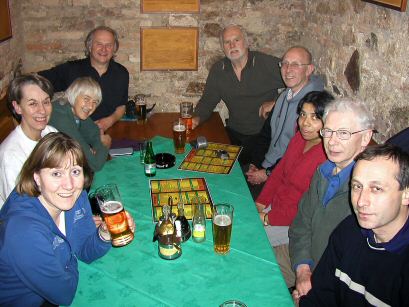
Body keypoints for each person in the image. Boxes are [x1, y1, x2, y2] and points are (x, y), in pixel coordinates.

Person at [0, 132, 135, 306]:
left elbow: (86, 251)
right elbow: (64, 293)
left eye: (75, 171)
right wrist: (70, 255)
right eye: (56, 174)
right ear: (36, 177)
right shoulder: (23, 232)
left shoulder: (75, 197)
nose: (69, 185)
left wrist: (104, 234)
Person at [297, 144, 409, 306]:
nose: (361, 201)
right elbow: (320, 296)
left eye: (376, 188)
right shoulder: (349, 230)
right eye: (357, 186)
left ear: (406, 194)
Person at [288, 98, 374, 296]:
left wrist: (315, 284)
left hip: (331, 282)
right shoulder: (323, 172)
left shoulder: (365, 194)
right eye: (328, 132)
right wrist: (302, 269)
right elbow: (301, 224)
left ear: (365, 137)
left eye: (343, 133)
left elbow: (356, 265)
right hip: (304, 260)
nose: (332, 141)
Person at [255, 91, 333, 287]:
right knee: (242, 226)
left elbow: (307, 210)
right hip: (274, 207)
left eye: (315, 117)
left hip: (291, 222)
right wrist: (260, 202)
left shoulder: (327, 158)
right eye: (303, 115)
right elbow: (280, 172)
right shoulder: (299, 138)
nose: (305, 123)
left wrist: (267, 218)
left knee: (249, 241)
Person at [245, 46, 323, 196]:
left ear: (309, 70)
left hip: (284, 177)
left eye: (295, 64)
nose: (288, 69)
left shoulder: (311, 108)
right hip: (266, 166)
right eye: (285, 63)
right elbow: (266, 135)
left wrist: (266, 173)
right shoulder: (284, 96)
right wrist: (255, 164)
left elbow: (298, 155)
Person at [192, 24, 284, 149]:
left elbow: (299, 83)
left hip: (265, 135)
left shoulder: (266, 63)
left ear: (246, 43)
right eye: (227, 42)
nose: (232, 45)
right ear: (223, 48)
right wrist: (196, 118)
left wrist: (277, 102)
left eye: (236, 40)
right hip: (234, 133)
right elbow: (208, 100)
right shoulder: (219, 70)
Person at [39, 26, 129, 131]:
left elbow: (121, 106)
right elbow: (36, 82)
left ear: (114, 48)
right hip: (74, 132)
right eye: (99, 44)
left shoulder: (122, 73)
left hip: (108, 130)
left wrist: (109, 121)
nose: (104, 49)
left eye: (109, 45)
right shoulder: (71, 69)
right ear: (89, 46)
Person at [0, 74, 57, 208]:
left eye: (46, 102)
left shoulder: (50, 132)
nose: (42, 110)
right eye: (33, 103)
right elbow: (19, 209)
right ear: (17, 107)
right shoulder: (11, 156)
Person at [49, 77, 111, 172]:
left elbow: (95, 133)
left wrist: (95, 149)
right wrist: (105, 145)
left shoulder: (73, 108)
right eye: (86, 99)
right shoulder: (60, 117)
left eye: (95, 102)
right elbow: (94, 165)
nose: (90, 106)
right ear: (74, 95)